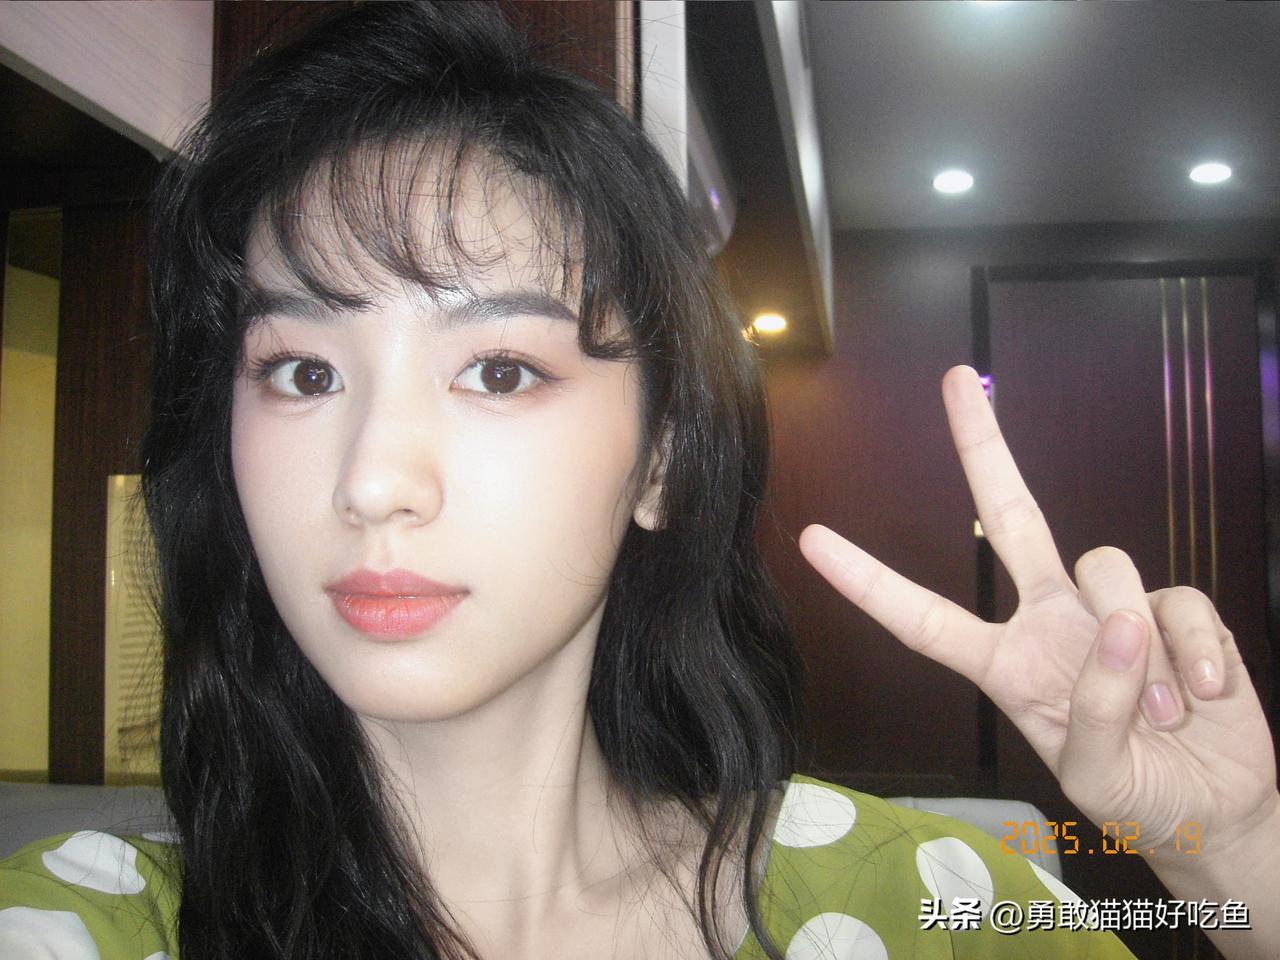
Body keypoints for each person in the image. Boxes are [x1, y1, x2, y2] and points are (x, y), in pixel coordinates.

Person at [1, 3, 1276, 958]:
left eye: (499, 370)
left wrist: (1229, 853)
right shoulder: (84, 924)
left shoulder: (923, 903)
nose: (373, 482)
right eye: (302, 372)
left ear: (659, 458)